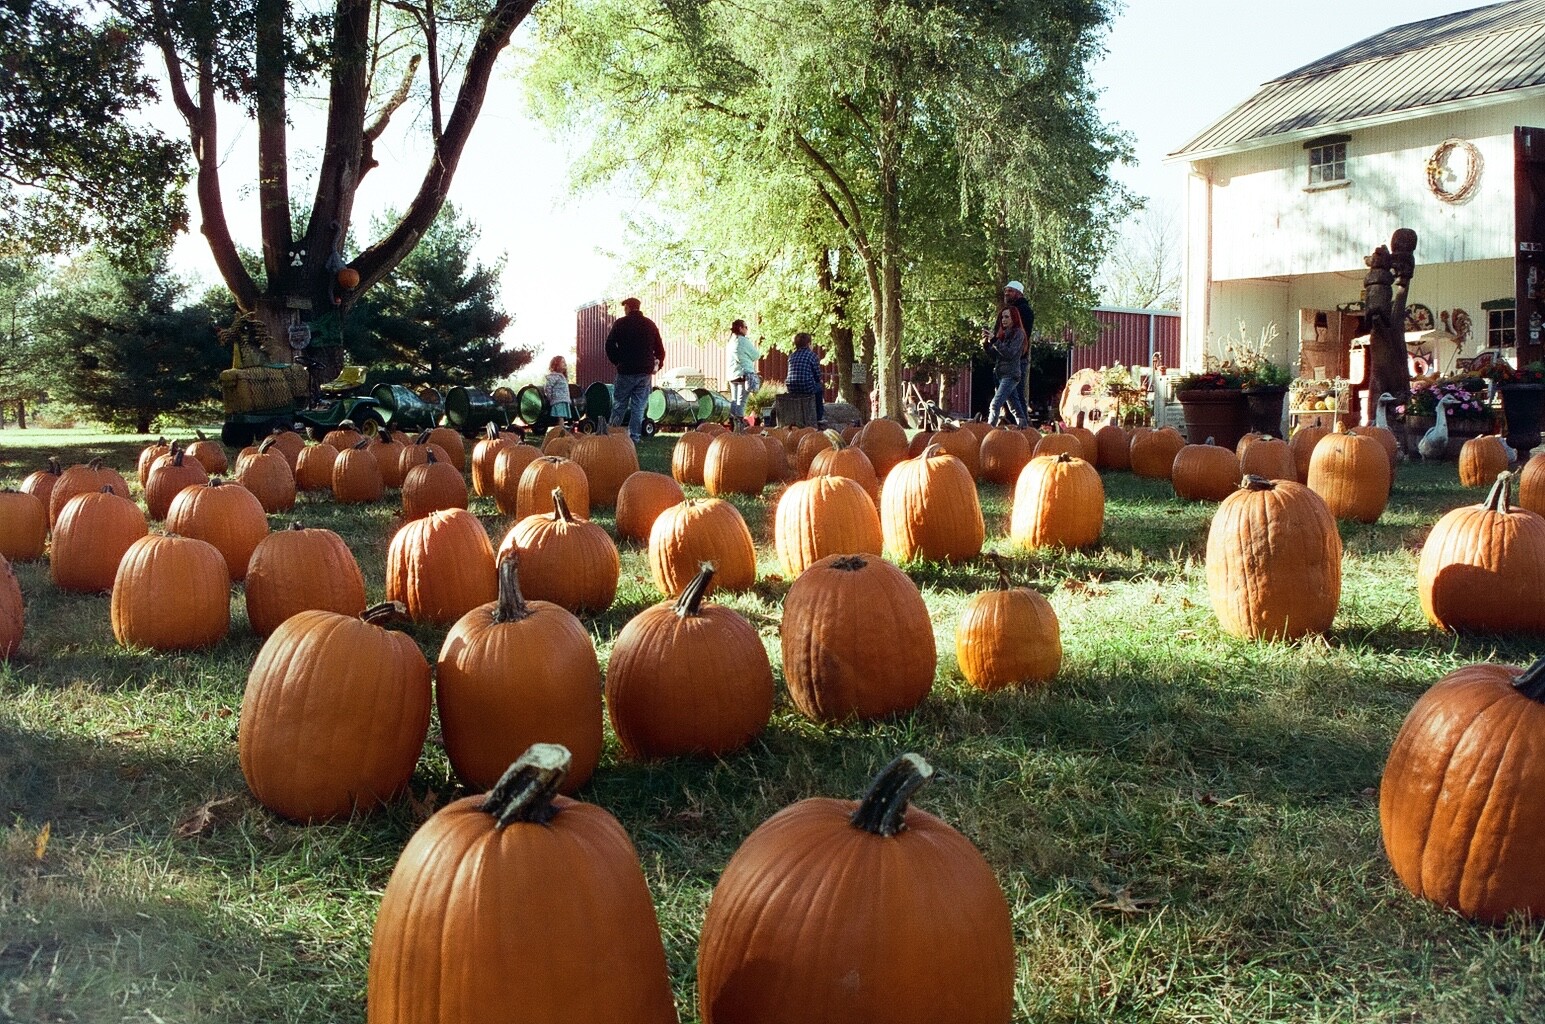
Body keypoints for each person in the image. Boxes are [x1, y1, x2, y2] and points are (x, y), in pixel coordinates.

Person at [603, 296, 666, 442]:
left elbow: (609, 345)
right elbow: (660, 350)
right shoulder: (650, 325)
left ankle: (612, 434)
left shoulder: (620, 324)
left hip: (625, 370)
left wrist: (617, 361)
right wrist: (657, 364)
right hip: (644, 371)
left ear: (628, 308)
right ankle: (634, 437)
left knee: (620, 403)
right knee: (638, 406)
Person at [985, 307, 1029, 427]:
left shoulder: (1019, 334)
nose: (1003, 320)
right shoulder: (1003, 334)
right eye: (1002, 317)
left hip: (1011, 375)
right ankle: (1024, 427)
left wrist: (995, 340)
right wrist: (986, 345)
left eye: (1006, 317)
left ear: (1014, 318)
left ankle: (989, 431)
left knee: (995, 404)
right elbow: (996, 356)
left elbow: (1010, 353)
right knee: (1014, 405)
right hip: (1000, 374)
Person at [1003, 279, 1035, 424]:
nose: (1006, 293)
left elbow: (1018, 335)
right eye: (1006, 291)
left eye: (1009, 291)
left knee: (1015, 393)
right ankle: (1016, 423)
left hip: (1017, 357)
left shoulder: (1023, 311)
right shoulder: (1014, 310)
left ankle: (1022, 425)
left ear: (1018, 293)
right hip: (1012, 357)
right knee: (1009, 393)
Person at [785, 331, 826, 426]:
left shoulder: (792, 356)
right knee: (819, 387)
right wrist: (819, 381)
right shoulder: (812, 356)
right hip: (806, 387)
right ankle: (819, 416)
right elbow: (817, 375)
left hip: (791, 387)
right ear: (809, 344)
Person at [727, 319, 762, 421]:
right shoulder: (743, 341)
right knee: (741, 402)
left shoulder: (730, 341)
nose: (747, 329)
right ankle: (739, 428)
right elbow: (756, 355)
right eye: (746, 327)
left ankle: (732, 425)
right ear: (740, 328)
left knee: (734, 400)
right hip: (743, 374)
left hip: (732, 375)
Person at [543, 355, 574, 429]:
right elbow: (548, 387)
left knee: (562, 415)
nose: (565, 364)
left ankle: (561, 428)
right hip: (558, 400)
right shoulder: (554, 376)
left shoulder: (562, 376)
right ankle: (561, 429)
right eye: (562, 362)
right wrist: (550, 397)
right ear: (556, 365)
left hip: (563, 399)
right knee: (560, 416)